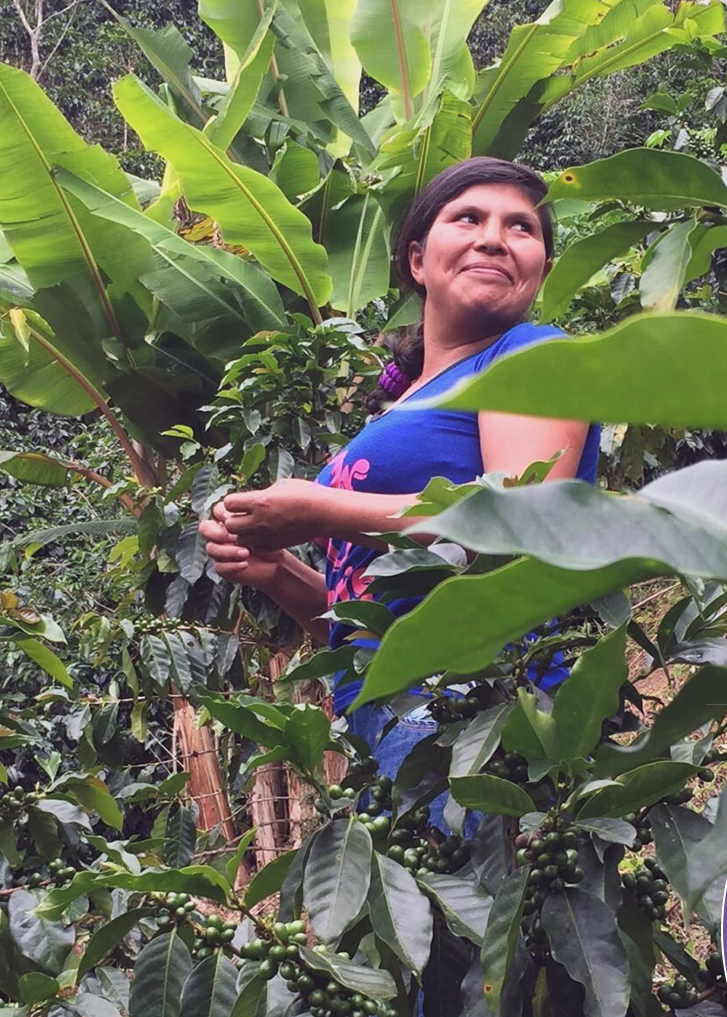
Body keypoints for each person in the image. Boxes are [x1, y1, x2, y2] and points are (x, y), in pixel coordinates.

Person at [198, 156, 601, 796]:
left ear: (542, 270)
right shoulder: (408, 402)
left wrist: (320, 510)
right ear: (417, 261)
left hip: (489, 702)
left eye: (521, 227)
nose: (494, 237)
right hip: (391, 718)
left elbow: (515, 522)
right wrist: (279, 574)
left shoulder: (532, 355)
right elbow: (365, 621)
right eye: (467, 217)